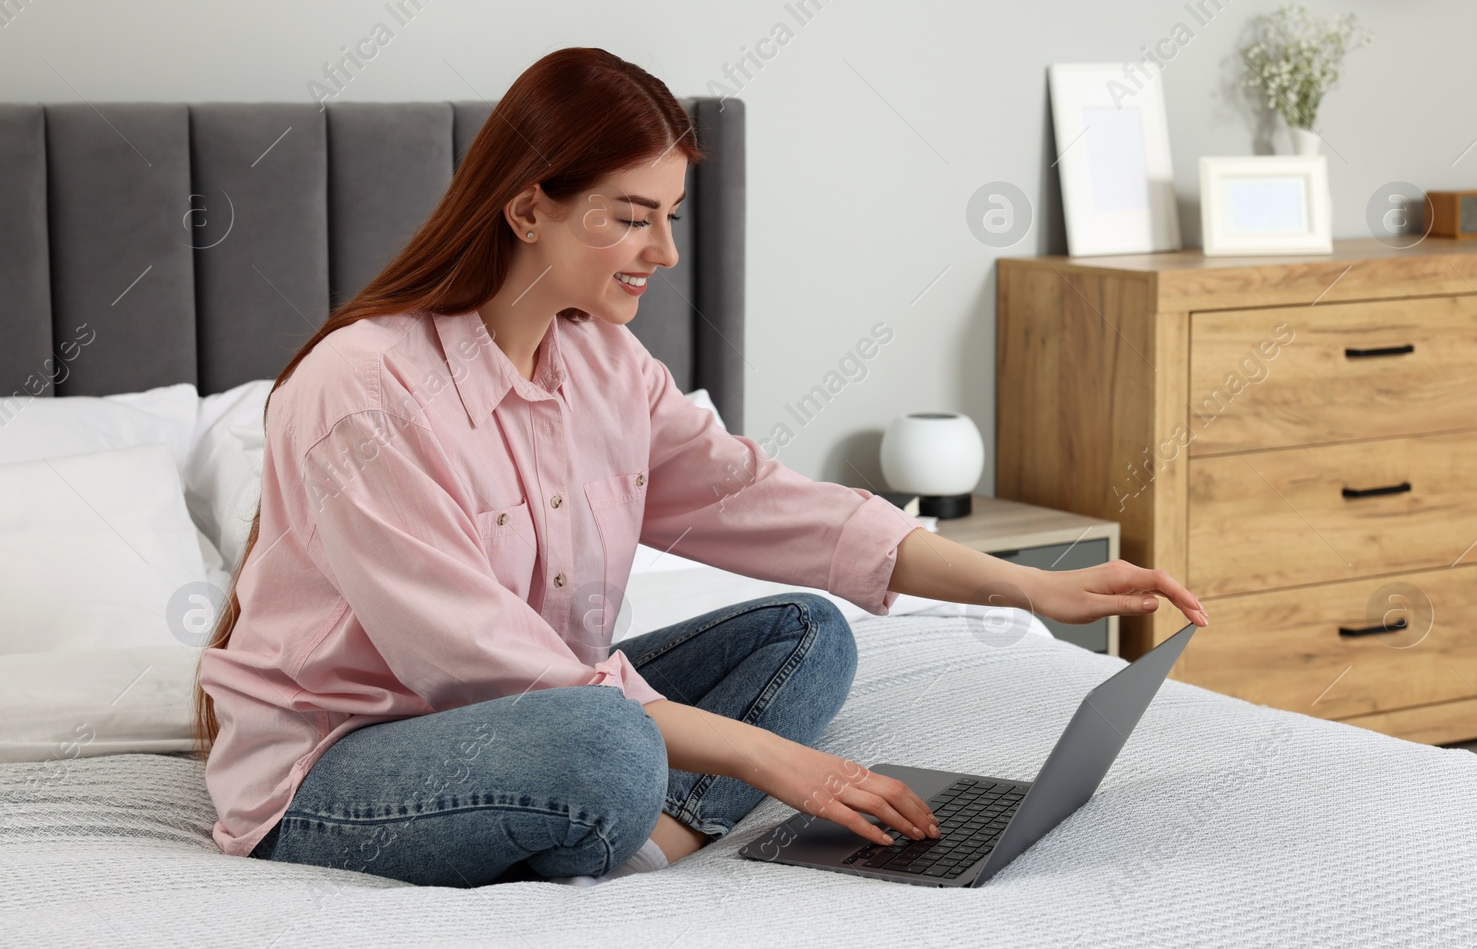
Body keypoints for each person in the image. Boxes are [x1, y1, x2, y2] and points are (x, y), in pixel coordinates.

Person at [195, 46, 1208, 890]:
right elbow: (480, 659)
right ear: (525, 209)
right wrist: (778, 761)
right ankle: (641, 814)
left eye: (669, 215)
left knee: (803, 629)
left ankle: (648, 840)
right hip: (336, 767)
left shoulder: (600, 358)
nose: (664, 251)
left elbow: (768, 506)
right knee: (605, 748)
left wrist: (1028, 583)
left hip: (541, 714)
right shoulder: (363, 387)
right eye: (632, 216)